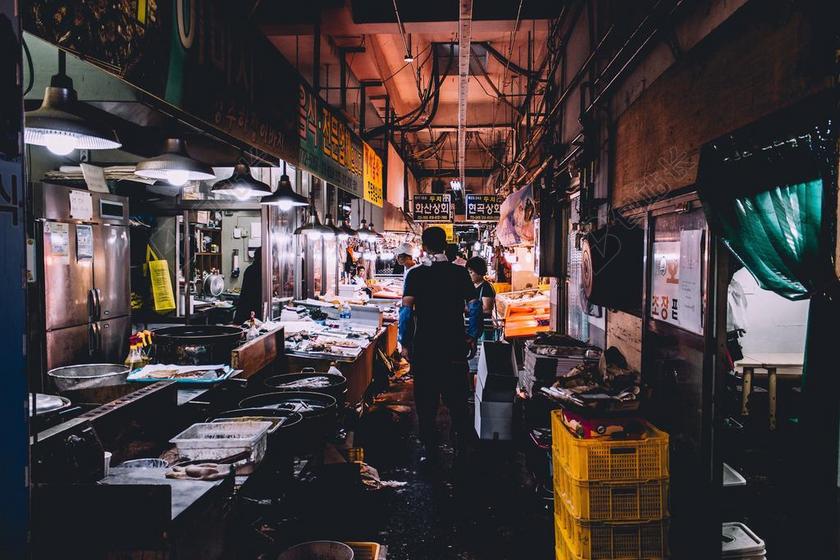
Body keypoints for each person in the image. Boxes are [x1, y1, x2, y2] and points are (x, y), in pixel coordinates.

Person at [399, 227, 482, 467]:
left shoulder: (415, 274)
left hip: (424, 348)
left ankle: (430, 449)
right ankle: (461, 449)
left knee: (426, 404)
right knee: (457, 403)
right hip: (454, 347)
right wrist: (472, 335)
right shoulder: (460, 273)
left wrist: (404, 342)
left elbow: (406, 312)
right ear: (445, 245)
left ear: (423, 247)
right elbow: (474, 306)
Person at [466, 256, 496, 340]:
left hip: (484, 326)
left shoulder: (486, 287)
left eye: (471, 272)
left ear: (479, 272)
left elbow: (487, 309)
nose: (469, 275)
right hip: (471, 324)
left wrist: (466, 308)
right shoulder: (471, 286)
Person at [234, 248, 262, 325]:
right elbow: (256, 292)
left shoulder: (251, 268)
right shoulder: (254, 270)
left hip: (248, 308)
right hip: (249, 310)